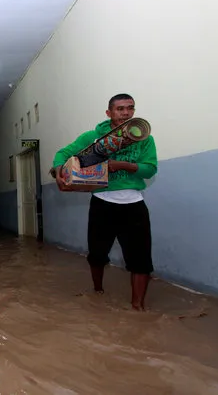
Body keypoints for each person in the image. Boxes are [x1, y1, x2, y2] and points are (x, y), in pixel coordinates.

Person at [52, 93, 158, 311]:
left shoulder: (145, 138)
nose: (126, 112)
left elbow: (150, 169)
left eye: (130, 108)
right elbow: (63, 154)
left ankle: (138, 307)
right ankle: (97, 290)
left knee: (141, 260)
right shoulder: (93, 137)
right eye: (120, 109)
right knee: (97, 254)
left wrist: (122, 165)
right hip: (102, 203)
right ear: (109, 113)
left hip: (134, 204)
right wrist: (58, 170)